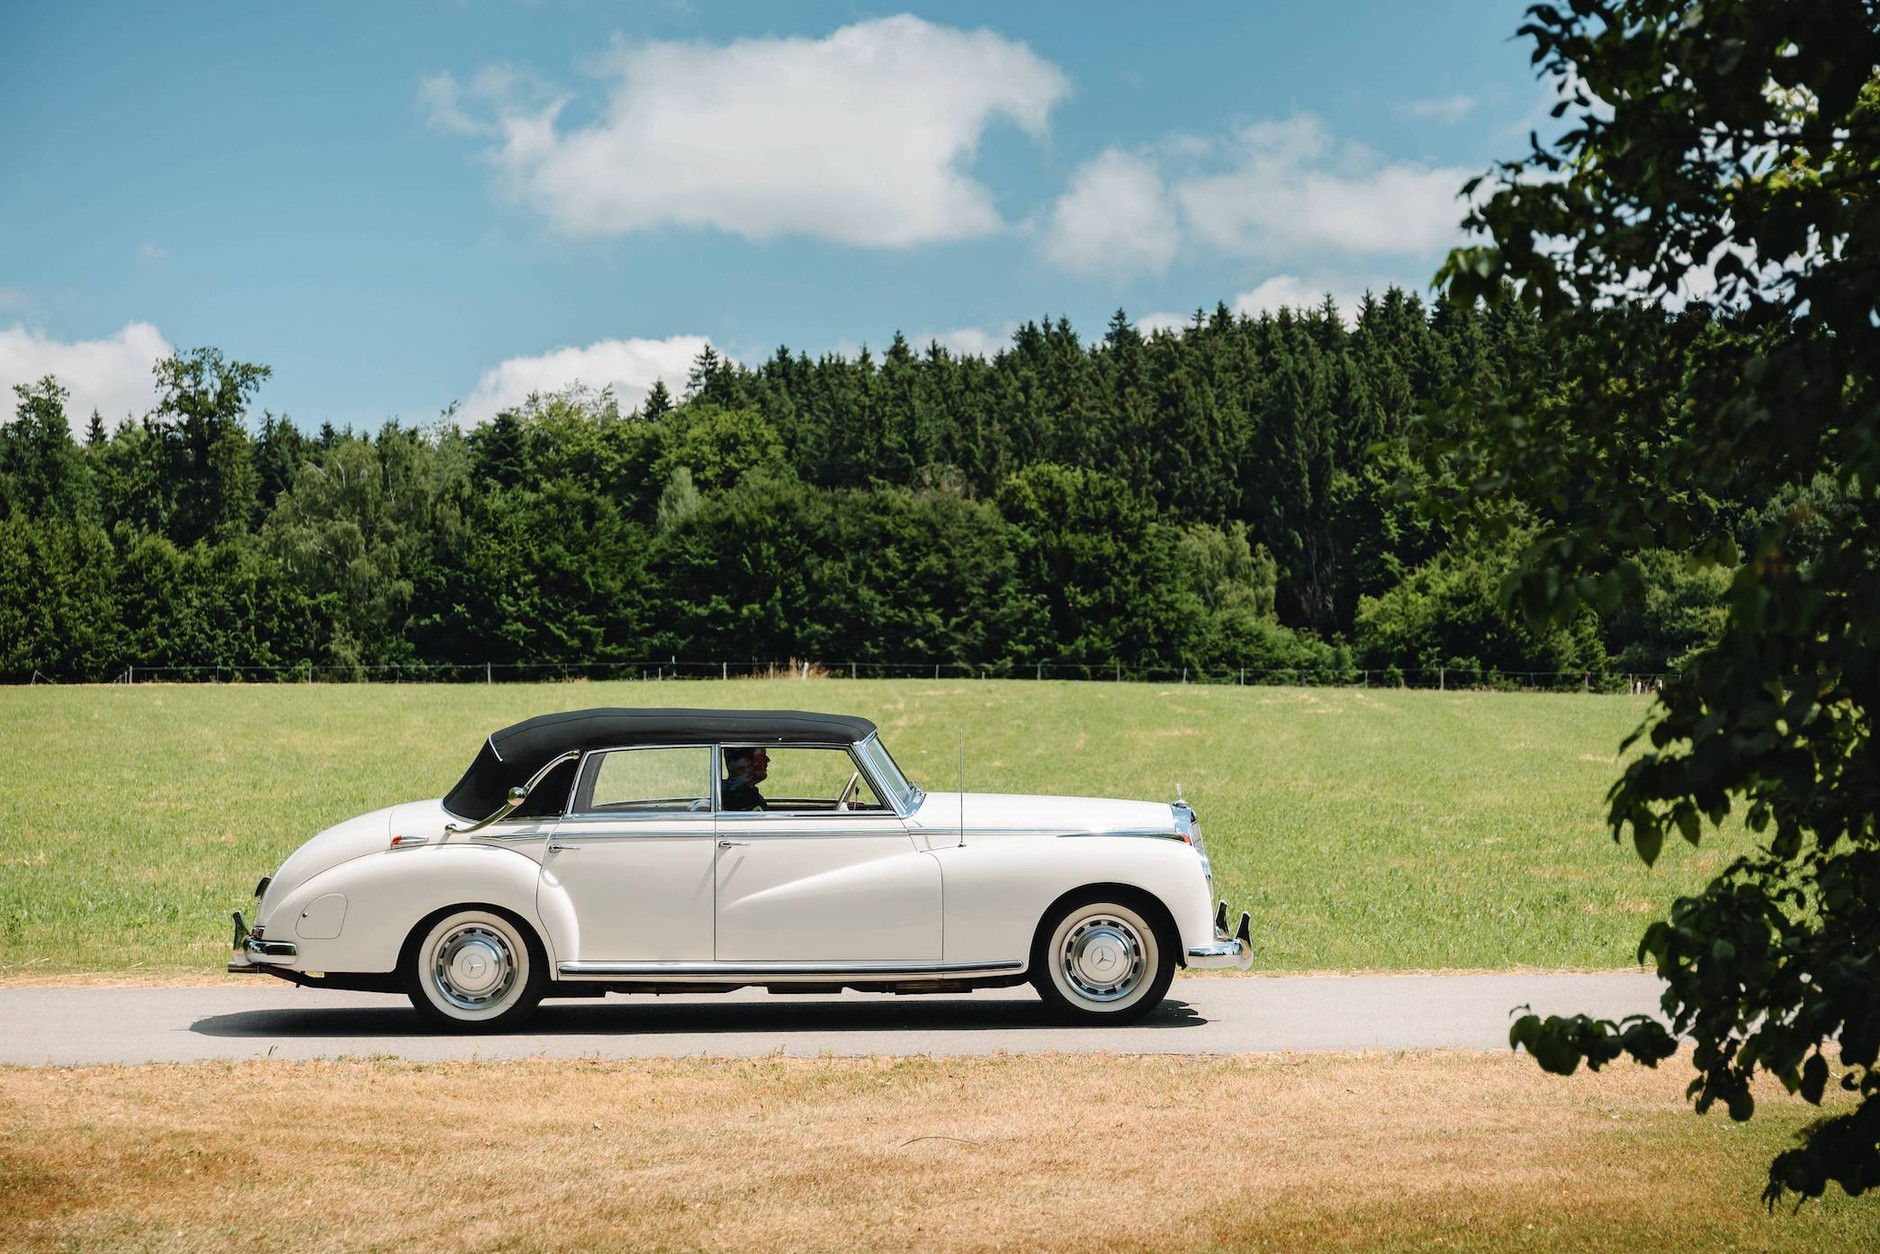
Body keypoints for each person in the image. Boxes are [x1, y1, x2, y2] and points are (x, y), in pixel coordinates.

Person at [720, 746, 769, 811]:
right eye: (763, 755)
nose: (768, 760)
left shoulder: (748, 794)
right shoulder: (739, 800)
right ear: (745, 762)